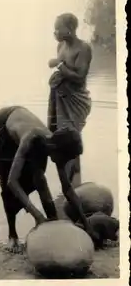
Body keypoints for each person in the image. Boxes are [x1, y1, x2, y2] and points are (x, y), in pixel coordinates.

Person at [0, 105, 99, 253]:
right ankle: (12, 235)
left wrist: (86, 223)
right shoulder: (30, 138)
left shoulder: (57, 145)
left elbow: (67, 189)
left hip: (19, 119)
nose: (63, 163)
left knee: (38, 176)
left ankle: (51, 220)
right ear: (54, 148)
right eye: (64, 159)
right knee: (9, 187)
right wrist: (38, 216)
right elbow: (12, 182)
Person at [47, 13, 92, 187]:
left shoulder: (84, 48)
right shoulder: (61, 46)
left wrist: (58, 66)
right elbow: (60, 65)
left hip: (76, 99)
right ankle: (72, 180)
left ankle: (73, 182)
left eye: (59, 28)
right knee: (64, 136)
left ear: (71, 29)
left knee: (72, 135)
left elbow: (80, 77)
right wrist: (56, 66)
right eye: (54, 29)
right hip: (61, 96)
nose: (55, 32)